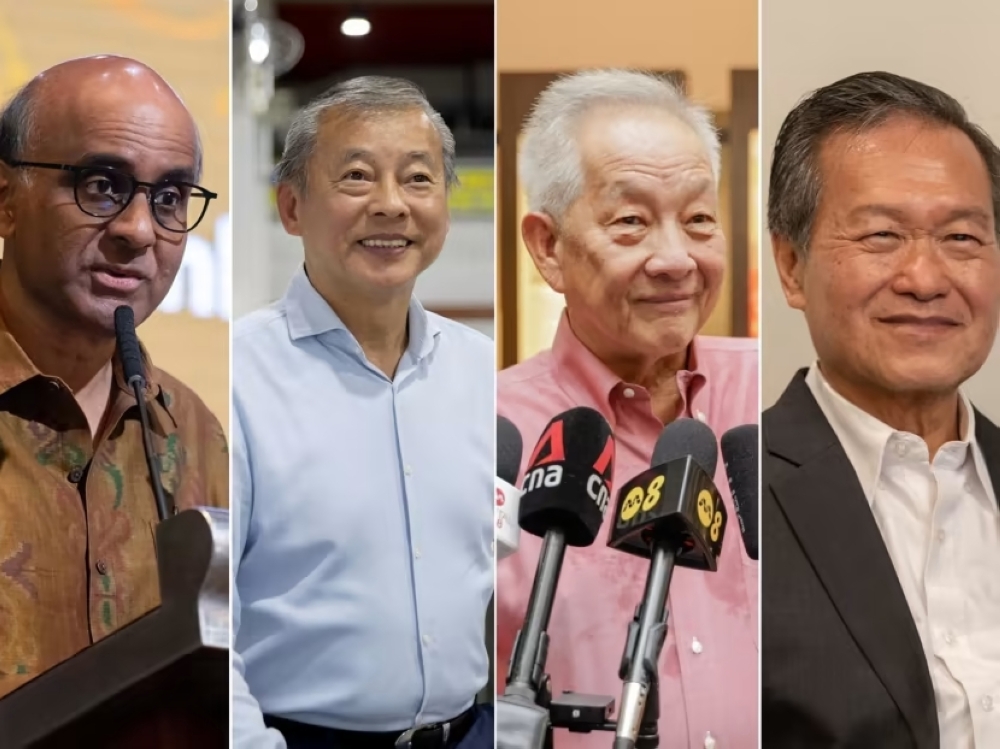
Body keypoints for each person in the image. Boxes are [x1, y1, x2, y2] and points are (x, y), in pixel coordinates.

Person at [497, 70, 759, 749]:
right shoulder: (487, 434)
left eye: (700, 219)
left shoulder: (782, 396)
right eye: (631, 222)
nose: (676, 258)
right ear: (547, 246)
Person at [231, 76, 495, 749]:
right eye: (356, 177)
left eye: (417, 179)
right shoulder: (238, 375)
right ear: (291, 207)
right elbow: (206, 619)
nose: (391, 205)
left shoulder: (481, 371)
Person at [764, 71, 1000, 748]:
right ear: (790, 264)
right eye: (880, 236)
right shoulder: (736, 487)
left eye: (961, 238)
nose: (925, 279)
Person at [0, 56, 228, 699]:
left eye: (169, 199)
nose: (138, 231)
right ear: (6, 200)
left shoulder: (193, 432)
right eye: (101, 185)